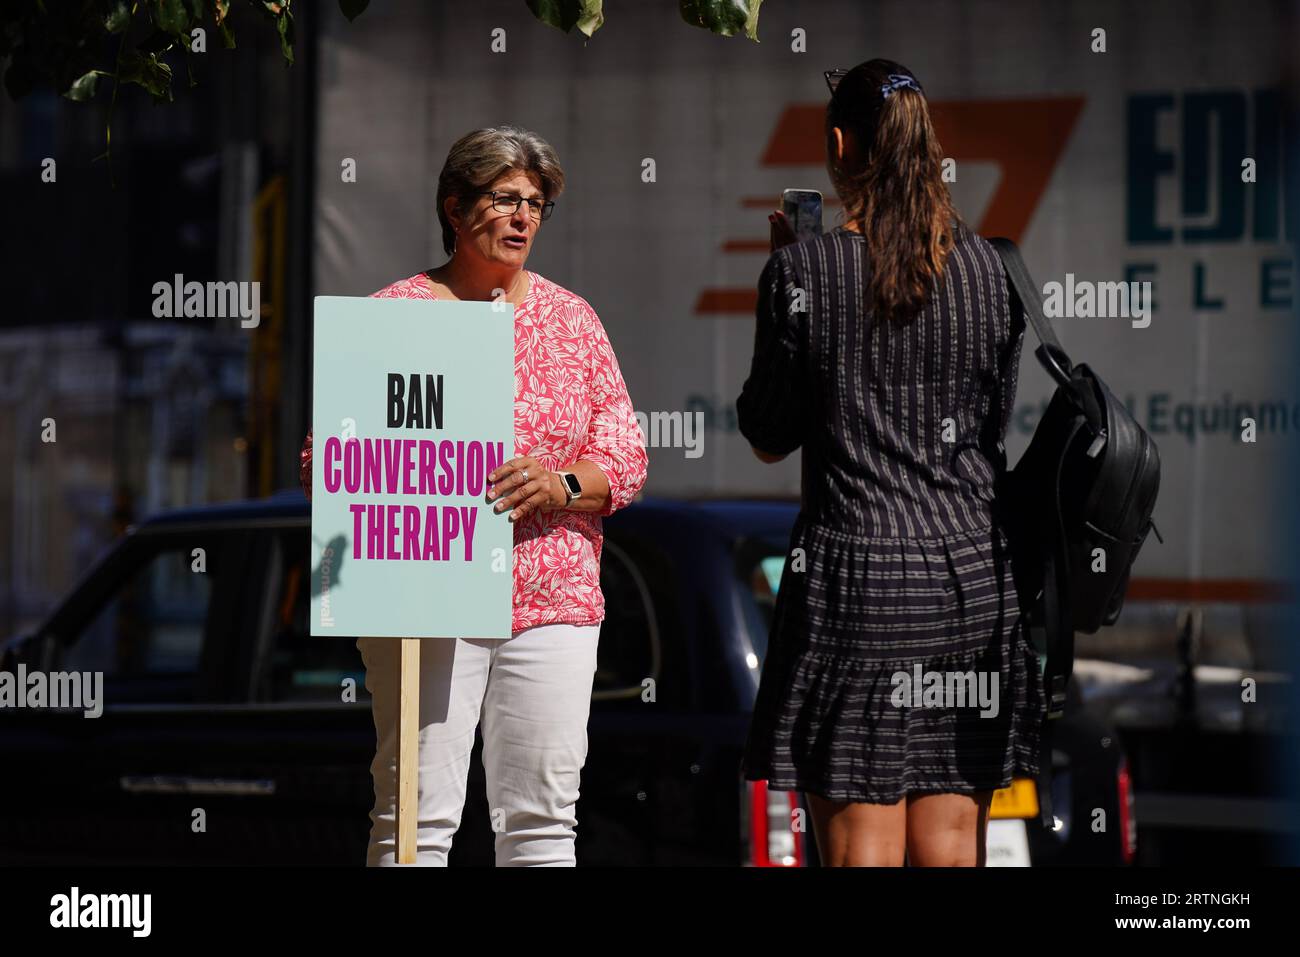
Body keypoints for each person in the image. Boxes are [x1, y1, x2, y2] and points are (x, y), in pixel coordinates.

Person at [299, 125, 648, 866]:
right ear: (455, 209)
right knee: (414, 823)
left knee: (542, 823)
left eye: (537, 203)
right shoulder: (394, 315)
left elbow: (626, 456)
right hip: (429, 593)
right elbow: (320, 459)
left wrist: (560, 482)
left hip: (551, 599)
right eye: (505, 199)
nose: (524, 217)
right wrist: (411, 471)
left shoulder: (573, 321)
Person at [736, 59, 1047, 866]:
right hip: (974, 580)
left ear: (840, 146)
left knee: (860, 850)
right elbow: (988, 427)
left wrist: (784, 288)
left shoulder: (804, 271)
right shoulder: (997, 271)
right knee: (951, 842)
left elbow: (769, 432)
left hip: (859, 586)